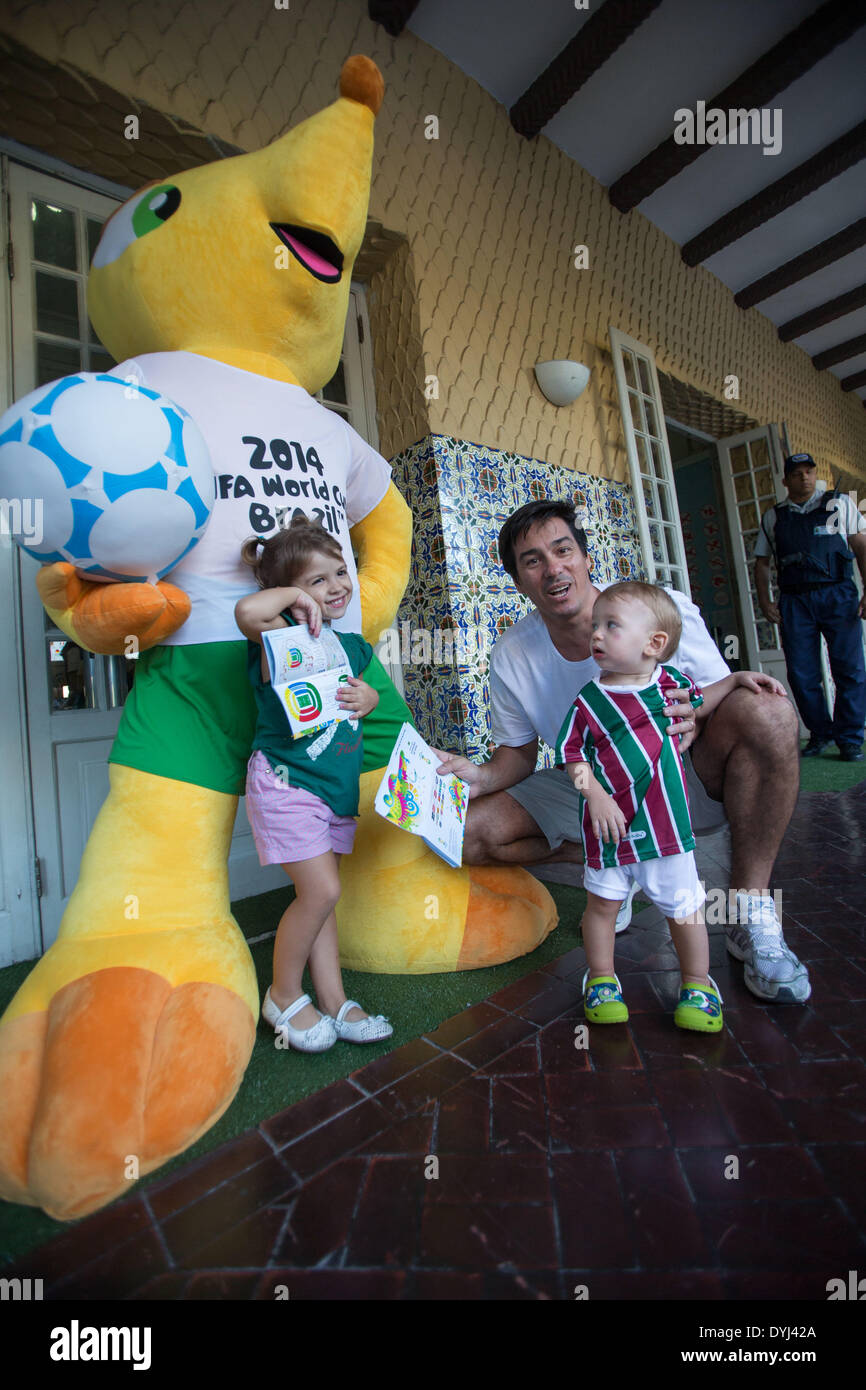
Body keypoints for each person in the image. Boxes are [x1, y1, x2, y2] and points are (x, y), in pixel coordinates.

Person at [435, 499, 810, 1004]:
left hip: (677, 777)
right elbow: (519, 755)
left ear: (586, 557)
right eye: (532, 560)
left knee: (768, 710)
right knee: (466, 835)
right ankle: (621, 870)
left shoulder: (659, 610)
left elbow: (717, 697)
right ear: (517, 580)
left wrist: (699, 709)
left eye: (563, 549)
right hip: (591, 786)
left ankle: (750, 907)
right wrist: (479, 777)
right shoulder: (511, 655)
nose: (553, 568)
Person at [558, 580, 787, 1032]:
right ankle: (602, 978)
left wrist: (737, 678)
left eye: (611, 626)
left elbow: (702, 702)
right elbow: (571, 756)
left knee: (684, 909)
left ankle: (698, 984)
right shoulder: (588, 702)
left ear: (654, 644)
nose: (597, 635)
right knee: (601, 908)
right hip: (610, 835)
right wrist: (596, 797)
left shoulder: (671, 686)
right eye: (596, 626)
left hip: (666, 832)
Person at [234, 517, 393, 1051]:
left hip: (335, 790)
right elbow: (246, 613)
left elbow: (364, 696)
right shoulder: (276, 637)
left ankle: (333, 1000)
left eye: (341, 572)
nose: (338, 586)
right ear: (288, 596)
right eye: (318, 580)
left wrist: (368, 699)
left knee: (321, 898)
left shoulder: (352, 646)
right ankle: (282, 994)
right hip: (286, 783)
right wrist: (287, 598)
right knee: (321, 890)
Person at [754, 452, 866, 761]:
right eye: (797, 473)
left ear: (815, 474)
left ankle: (850, 738)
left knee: (850, 668)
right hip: (795, 600)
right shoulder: (774, 516)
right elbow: (762, 563)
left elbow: (860, 545)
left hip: (838, 594)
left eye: (809, 471)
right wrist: (765, 600)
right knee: (802, 673)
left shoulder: (839, 503)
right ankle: (820, 733)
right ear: (785, 480)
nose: (804, 477)